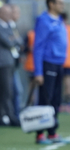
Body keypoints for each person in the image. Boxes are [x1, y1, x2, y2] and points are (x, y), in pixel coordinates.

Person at [34, 0, 68, 144]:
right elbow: (38, 47)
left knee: (55, 100)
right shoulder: (44, 20)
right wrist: (38, 72)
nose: (63, 5)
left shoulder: (59, 20)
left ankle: (52, 132)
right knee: (45, 100)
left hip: (59, 65)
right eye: (59, 3)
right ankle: (40, 134)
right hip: (48, 64)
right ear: (51, 4)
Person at [0, 5, 19, 126]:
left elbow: (17, 40)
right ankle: (2, 116)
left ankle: (8, 115)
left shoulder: (7, 26)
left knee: (8, 92)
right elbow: (10, 41)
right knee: (3, 92)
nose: (9, 15)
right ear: (0, 14)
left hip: (8, 63)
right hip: (1, 64)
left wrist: (14, 39)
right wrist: (13, 39)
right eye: (7, 13)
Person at [9, 4, 24, 119]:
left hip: (15, 63)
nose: (18, 15)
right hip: (8, 64)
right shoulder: (7, 26)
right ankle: (14, 115)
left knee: (17, 90)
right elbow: (12, 42)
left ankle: (16, 114)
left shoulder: (14, 26)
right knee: (16, 90)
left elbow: (18, 42)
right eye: (15, 12)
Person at [62, 13, 70, 103]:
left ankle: (66, 102)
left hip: (64, 61)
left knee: (67, 83)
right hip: (64, 61)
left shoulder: (61, 29)